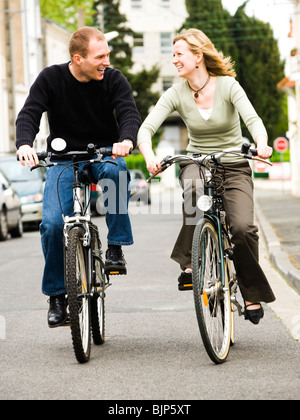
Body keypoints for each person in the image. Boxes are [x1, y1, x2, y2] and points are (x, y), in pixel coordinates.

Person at [137, 28, 275, 325]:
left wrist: (262, 144)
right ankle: (190, 264)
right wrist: (150, 158)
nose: (174, 59)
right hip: (196, 161)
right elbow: (146, 129)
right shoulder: (175, 93)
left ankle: (250, 293)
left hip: (234, 164)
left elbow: (253, 120)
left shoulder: (228, 86)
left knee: (242, 227)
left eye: (179, 54)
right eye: (172, 54)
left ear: (198, 56)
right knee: (194, 191)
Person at [16, 27, 141, 328]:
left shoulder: (113, 79)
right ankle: (57, 296)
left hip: (103, 153)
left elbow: (128, 113)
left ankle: (115, 247)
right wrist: (24, 144)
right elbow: (29, 113)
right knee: (51, 224)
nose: (106, 62)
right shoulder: (51, 79)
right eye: (100, 56)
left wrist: (125, 139)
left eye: (107, 55)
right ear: (78, 58)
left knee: (115, 171)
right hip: (63, 160)